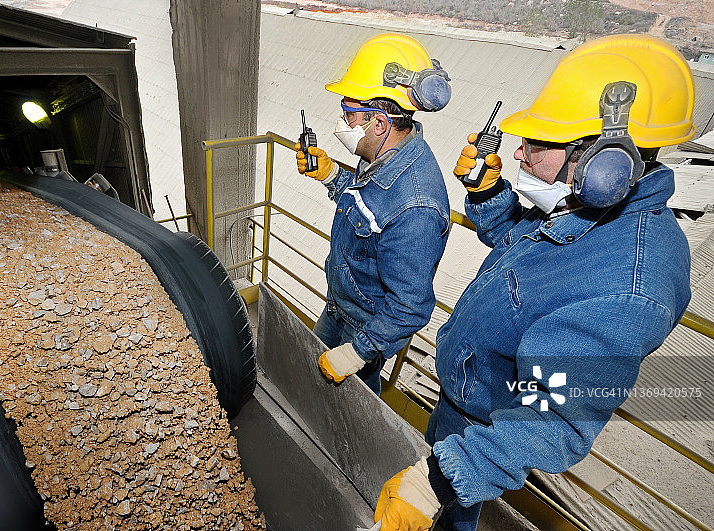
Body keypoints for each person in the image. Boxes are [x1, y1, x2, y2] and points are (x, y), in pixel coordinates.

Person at [373, 34, 695, 531]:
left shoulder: (630, 284)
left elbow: (554, 415)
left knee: (450, 518)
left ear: (603, 161)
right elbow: (517, 249)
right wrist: (488, 192)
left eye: (536, 143)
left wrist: (440, 480)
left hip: (490, 430)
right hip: (463, 399)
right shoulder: (582, 206)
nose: (519, 154)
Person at [294, 33, 453, 395]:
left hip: (364, 328)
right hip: (340, 305)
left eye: (349, 115)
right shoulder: (386, 154)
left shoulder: (416, 208)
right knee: (315, 383)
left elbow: (410, 306)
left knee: (354, 410)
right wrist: (333, 175)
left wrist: (357, 354)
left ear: (379, 123)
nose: (341, 122)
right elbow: (370, 209)